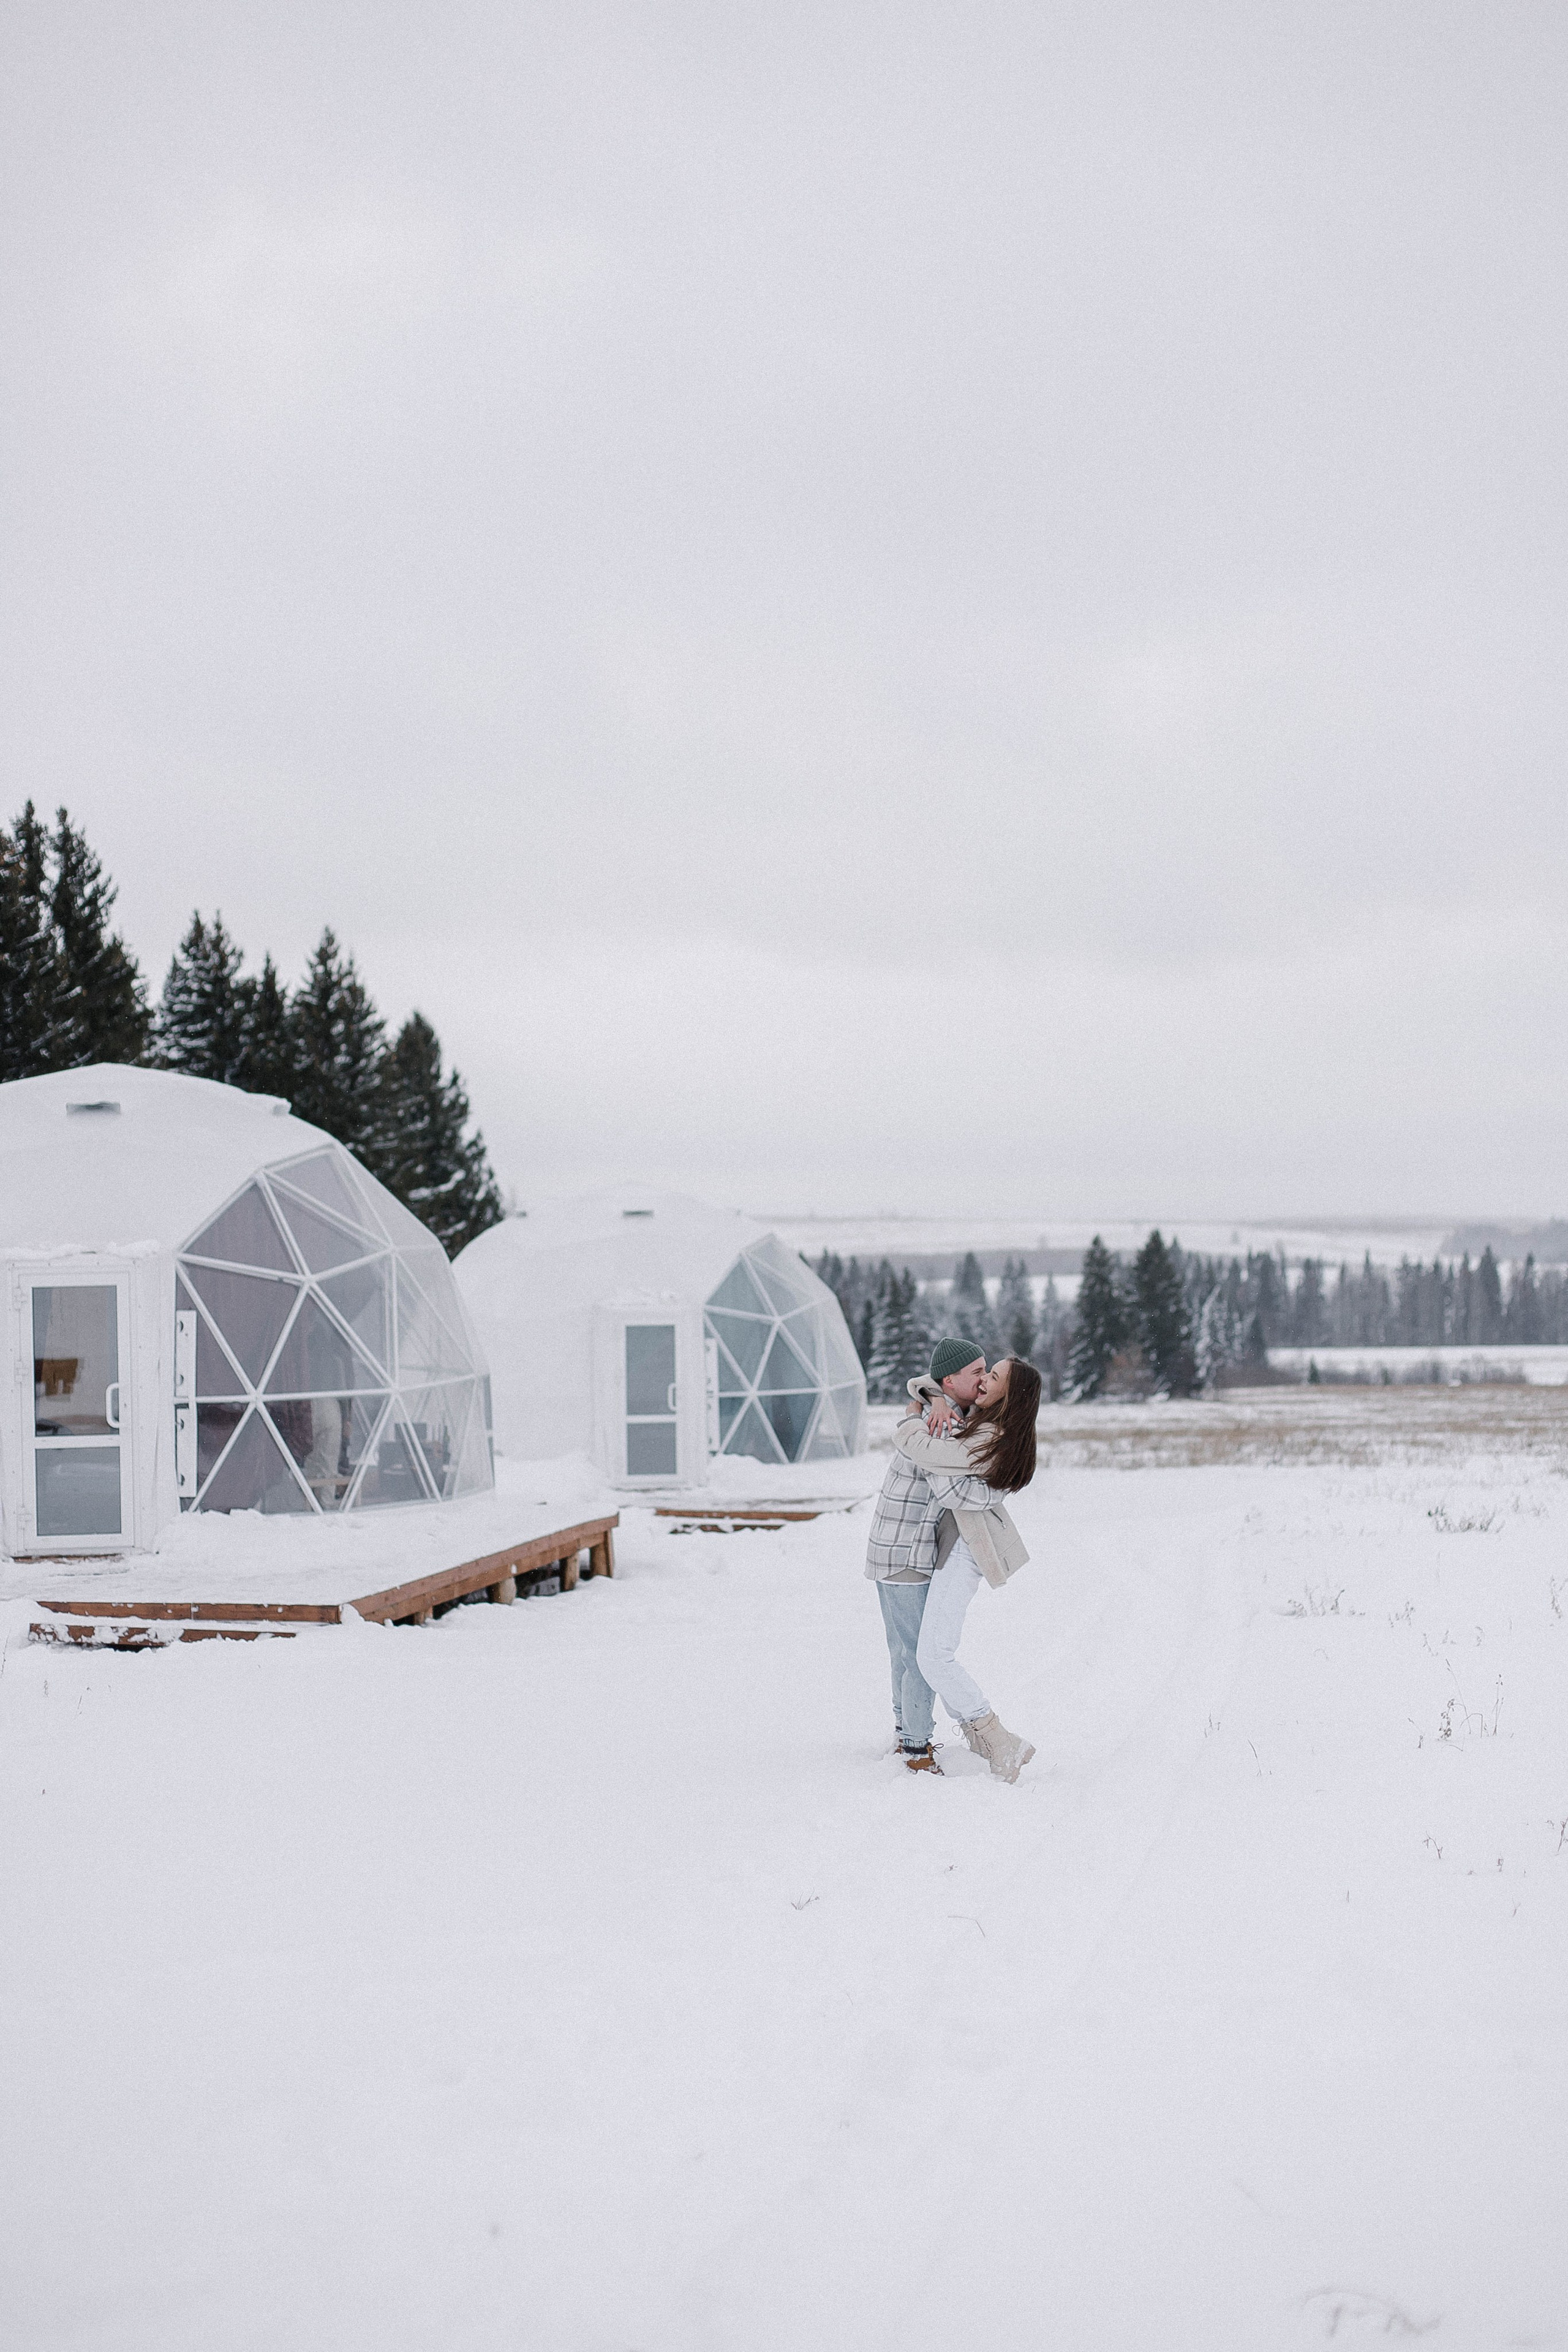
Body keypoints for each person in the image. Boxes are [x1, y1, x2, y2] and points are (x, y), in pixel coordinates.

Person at [891, 1355, 1042, 1783]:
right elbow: (921, 1379)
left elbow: (927, 1457)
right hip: (953, 1546)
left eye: (992, 1377)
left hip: (965, 1551)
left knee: (933, 1657)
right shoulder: (981, 1419)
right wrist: (936, 1397)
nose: (983, 1381)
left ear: (1008, 1395)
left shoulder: (992, 1434)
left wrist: (910, 1419)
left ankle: (997, 1737)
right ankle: (981, 1737)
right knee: (933, 1651)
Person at [864, 1338, 988, 1772]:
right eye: (978, 1373)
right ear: (951, 1381)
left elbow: (919, 1382)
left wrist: (930, 1395)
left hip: (890, 1548)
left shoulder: (943, 1408)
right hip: (907, 1552)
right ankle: (917, 1750)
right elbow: (949, 1488)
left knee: (902, 1650)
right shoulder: (944, 1426)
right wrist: (993, 1492)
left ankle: (905, 1735)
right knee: (920, 1656)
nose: (985, 1378)